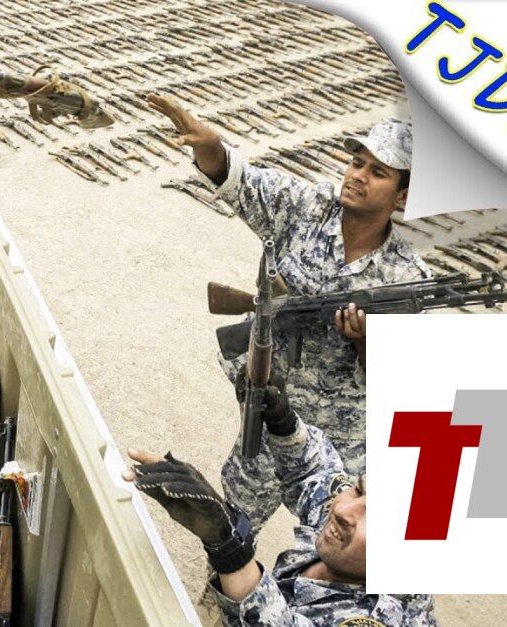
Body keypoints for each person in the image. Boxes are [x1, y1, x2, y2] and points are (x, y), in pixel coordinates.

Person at [147, 95, 430, 532]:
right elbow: (241, 181)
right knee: (237, 516)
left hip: (341, 431)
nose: (358, 175)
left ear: (403, 195)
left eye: (378, 173)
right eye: (357, 163)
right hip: (271, 404)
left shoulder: (407, 277)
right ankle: (228, 565)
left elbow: (400, 377)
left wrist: (364, 341)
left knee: (340, 530)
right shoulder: (306, 207)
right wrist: (209, 146)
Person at [125, 382, 437, 626]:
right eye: (358, 491)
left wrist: (230, 549)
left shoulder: (381, 617)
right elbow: (317, 473)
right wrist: (285, 425)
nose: (342, 510)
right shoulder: (353, 536)